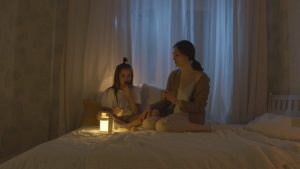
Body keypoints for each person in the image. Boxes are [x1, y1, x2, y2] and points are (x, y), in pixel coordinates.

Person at [125, 40, 211, 132]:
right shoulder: (174, 75)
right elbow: (166, 101)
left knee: (162, 126)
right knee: (147, 124)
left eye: (177, 55)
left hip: (190, 116)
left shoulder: (202, 78)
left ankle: (201, 128)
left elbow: (199, 107)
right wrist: (152, 107)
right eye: (173, 55)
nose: (173, 58)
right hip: (173, 113)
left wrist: (176, 101)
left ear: (187, 56)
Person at [100, 57, 141, 125]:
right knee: (100, 114)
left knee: (140, 117)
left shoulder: (135, 90)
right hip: (116, 118)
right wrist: (113, 111)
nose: (126, 79)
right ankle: (126, 125)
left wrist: (129, 97)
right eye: (123, 76)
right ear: (117, 77)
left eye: (129, 76)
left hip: (130, 117)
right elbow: (104, 109)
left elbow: (135, 111)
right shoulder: (110, 91)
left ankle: (126, 125)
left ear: (132, 77)